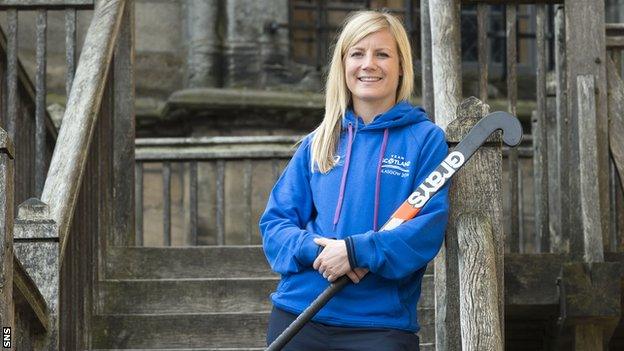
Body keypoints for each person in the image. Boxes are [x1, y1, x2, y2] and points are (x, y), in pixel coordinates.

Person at [259, 10, 449, 351]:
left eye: (382, 54)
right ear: (343, 64)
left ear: (402, 65)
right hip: (300, 315)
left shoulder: (425, 140)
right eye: (357, 53)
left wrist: (358, 251)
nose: (369, 64)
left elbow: (426, 229)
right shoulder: (319, 141)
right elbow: (275, 225)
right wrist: (322, 251)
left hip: (380, 325)